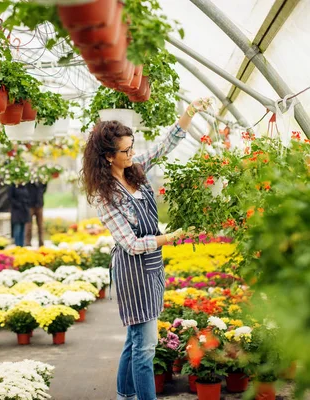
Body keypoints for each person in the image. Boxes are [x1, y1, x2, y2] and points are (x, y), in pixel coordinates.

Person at [81, 97, 213, 400]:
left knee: (134, 338)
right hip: (133, 272)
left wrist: (190, 112)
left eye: (131, 147)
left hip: (152, 267)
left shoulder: (134, 171)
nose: (131, 153)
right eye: (125, 150)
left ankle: (123, 395)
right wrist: (171, 237)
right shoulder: (106, 197)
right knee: (145, 347)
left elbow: (165, 144)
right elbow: (130, 244)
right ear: (108, 156)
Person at [25, 182, 47, 247]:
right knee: (28, 225)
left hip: (39, 204)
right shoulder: (28, 179)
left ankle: (41, 242)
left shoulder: (42, 179)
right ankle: (28, 242)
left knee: (40, 225)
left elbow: (44, 188)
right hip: (30, 204)